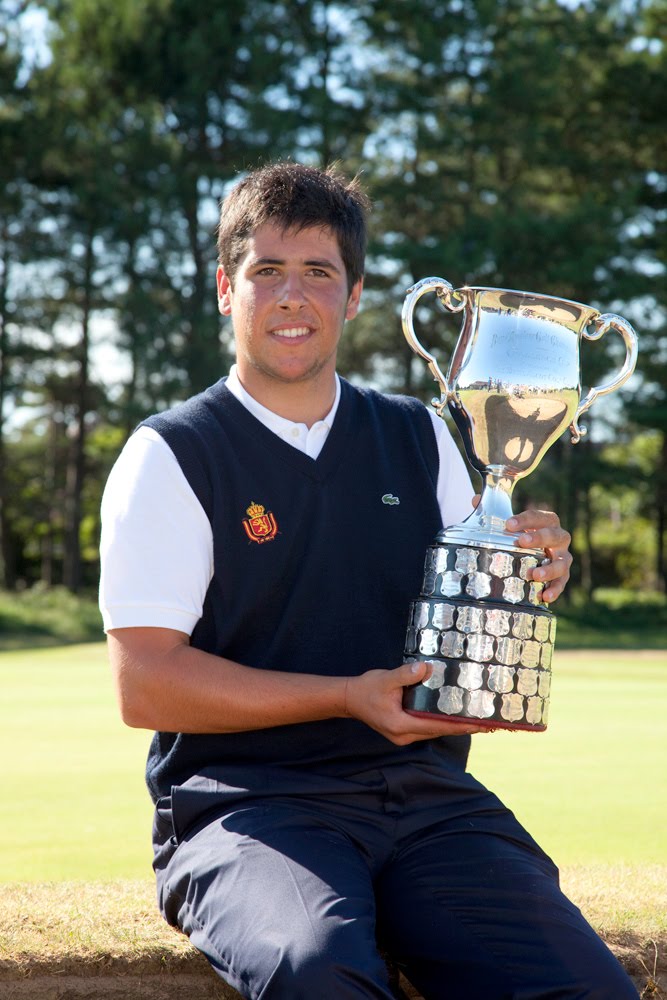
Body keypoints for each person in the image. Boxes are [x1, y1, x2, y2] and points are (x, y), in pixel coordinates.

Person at [99, 161, 637, 1000]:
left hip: (427, 801)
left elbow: (471, 607)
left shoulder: (422, 434)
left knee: (582, 987)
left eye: (318, 273)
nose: (290, 297)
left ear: (352, 298)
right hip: (248, 808)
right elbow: (146, 685)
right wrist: (347, 696)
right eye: (265, 272)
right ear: (223, 289)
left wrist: (528, 569)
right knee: (319, 973)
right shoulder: (171, 455)